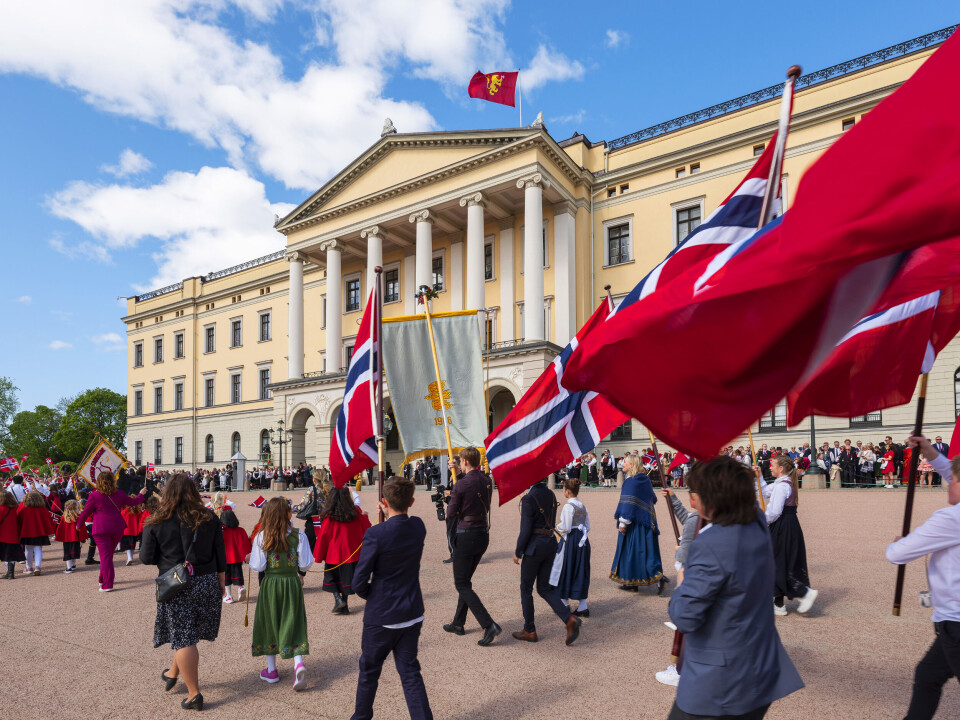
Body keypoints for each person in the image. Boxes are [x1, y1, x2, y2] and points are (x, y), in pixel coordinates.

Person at [668, 456, 804, 719]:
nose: (692, 498)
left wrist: (682, 583)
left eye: (695, 493)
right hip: (761, 666)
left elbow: (685, 615)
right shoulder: (756, 522)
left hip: (720, 683)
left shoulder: (710, 545)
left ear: (713, 498)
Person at [887, 434, 960, 720]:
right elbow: (949, 471)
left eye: (952, 480)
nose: (947, 483)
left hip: (956, 621)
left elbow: (897, 554)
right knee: (928, 675)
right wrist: (929, 451)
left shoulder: (951, 517)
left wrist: (900, 541)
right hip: (952, 620)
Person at [140, 473, 226, 712]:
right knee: (184, 631)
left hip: (176, 582)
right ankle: (172, 672)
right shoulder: (208, 517)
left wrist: (167, 558)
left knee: (184, 636)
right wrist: (221, 579)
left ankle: (194, 693)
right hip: (206, 579)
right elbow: (220, 551)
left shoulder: (156, 520)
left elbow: (146, 557)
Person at [351, 476, 433, 720]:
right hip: (411, 611)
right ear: (412, 501)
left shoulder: (375, 534)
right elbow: (399, 532)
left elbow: (358, 581)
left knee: (369, 671)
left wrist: (371, 595)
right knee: (410, 673)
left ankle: (361, 717)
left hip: (383, 613)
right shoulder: (418, 526)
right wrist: (387, 516)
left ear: (384, 501)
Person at [249, 497, 313, 691]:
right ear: (286, 514)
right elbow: (305, 564)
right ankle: (298, 662)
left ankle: (272, 670)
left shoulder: (262, 537)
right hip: (292, 582)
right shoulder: (298, 535)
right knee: (292, 619)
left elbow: (258, 565)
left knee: (269, 621)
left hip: (270, 583)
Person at [511, 478, 582, 645]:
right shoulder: (550, 493)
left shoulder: (529, 498)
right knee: (544, 588)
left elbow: (526, 529)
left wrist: (518, 551)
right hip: (549, 544)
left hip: (534, 547)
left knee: (526, 588)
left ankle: (529, 629)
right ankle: (568, 619)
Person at [443, 447, 501, 646]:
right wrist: (458, 475)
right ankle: (458, 622)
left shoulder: (460, 485)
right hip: (482, 534)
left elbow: (451, 514)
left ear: (465, 462)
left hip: (466, 534)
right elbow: (471, 486)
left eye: (460, 461)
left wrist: (450, 496)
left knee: (461, 583)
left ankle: (489, 624)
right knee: (465, 580)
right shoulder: (486, 481)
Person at [656, 486, 702, 687]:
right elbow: (687, 519)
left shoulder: (699, 518)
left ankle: (680, 670)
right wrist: (674, 499)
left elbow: (684, 554)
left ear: (694, 498)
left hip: (693, 578)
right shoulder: (715, 515)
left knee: (685, 625)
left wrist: (678, 550)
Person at [765, 456, 818, 616]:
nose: (770, 468)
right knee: (778, 559)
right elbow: (763, 490)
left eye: (772, 466)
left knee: (780, 560)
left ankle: (804, 592)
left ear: (781, 468)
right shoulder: (780, 483)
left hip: (783, 525)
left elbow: (775, 512)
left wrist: (760, 519)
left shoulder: (782, 487)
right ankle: (779, 603)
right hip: (785, 524)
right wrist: (757, 475)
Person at [78, 470, 147, 591]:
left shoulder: (94, 496)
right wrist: (141, 494)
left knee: (105, 556)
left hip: (101, 528)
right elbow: (134, 502)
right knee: (107, 556)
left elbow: (85, 513)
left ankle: (107, 584)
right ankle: (102, 579)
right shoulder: (119, 494)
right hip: (117, 527)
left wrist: (78, 524)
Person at [610, 453, 667, 593]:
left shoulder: (631, 481)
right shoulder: (644, 479)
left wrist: (623, 523)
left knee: (633, 552)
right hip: (646, 522)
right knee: (642, 551)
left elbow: (628, 504)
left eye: (625, 462)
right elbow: (649, 499)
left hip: (634, 523)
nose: (622, 464)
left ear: (632, 465)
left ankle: (657, 579)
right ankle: (632, 582)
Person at [314, 486, 372, 615]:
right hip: (350, 553)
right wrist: (365, 516)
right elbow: (367, 527)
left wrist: (319, 554)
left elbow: (323, 536)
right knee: (346, 579)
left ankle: (338, 598)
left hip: (333, 554)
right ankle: (343, 603)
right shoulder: (355, 513)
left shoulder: (329, 517)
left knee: (331, 578)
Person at [556, 477, 591, 618]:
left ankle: (563, 602)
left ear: (567, 491)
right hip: (583, 539)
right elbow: (587, 526)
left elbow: (566, 527)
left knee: (565, 567)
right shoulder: (582, 506)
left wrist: (556, 526)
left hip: (571, 540)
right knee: (581, 568)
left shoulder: (568, 506)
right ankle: (583, 605)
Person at [18, 490, 56, 575]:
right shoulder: (43, 509)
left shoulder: (23, 508)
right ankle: (37, 567)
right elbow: (48, 521)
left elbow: (19, 520)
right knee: (38, 548)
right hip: (40, 531)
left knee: (28, 549)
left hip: (26, 531)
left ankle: (29, 567)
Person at [220, 507, 251, 604]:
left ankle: (229, 596)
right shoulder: (240, 530)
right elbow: (245, 543)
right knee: (238, 574)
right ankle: (240, 587)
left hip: (225, 558)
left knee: (226, 578)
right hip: (237, 558)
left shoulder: (222, 532)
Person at [55, 499, 88, 574]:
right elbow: (82, 527)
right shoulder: (78, 516)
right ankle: (73, 565)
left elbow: (60, 529)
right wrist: (83, 537)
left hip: (67, 539)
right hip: (75, 537)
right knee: (74, 551)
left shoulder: (64, 517)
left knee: (68, 553)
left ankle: (69, 568)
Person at [0, 489, 25, 579]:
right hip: (13, 534)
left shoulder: (1, 508)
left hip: (3, 535)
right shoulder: (15, 508)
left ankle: (9, 573)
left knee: (5, 554)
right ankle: (10, 573)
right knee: (11, 555)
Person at [120, 500, 145, 566]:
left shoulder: (124, 512)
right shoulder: (137, 512)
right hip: (134, 531)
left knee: (128, 546)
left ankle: (129, 558)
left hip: (126, 531)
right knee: (132, 545)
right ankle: (131, 558)